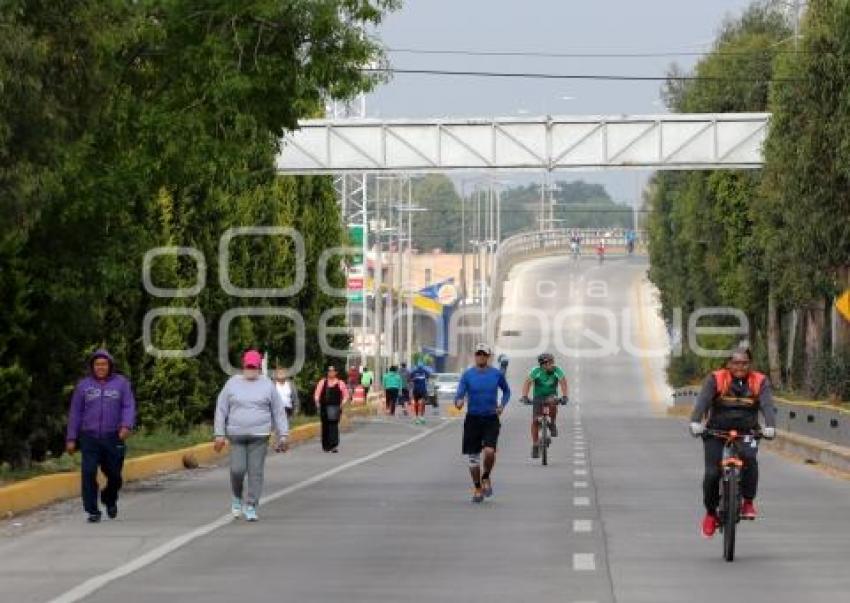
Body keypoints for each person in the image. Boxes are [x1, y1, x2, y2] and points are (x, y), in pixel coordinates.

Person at [689, 348, 777, 538]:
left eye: (744, 363)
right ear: (728, 364)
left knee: (750, 460)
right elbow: (703, 402)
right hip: (716, 431)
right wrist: (695, 421)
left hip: (747, 431)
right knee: (712, 473)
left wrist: (770, 426)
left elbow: (767, 405)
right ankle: (711, 514)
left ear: (750, 364)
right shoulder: (716, 378)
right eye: (736, 363)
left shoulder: (759, 381)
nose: (740, 367)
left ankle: (748, 502)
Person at [214, 350, 289, 522]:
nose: (251, 370)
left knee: (255, 472)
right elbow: (221, 408)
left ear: (259, 367)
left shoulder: (267, 385)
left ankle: (251, 505)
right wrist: (219, 434)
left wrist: (283, 435)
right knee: (237, 469)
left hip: (259, 436)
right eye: (248, 366)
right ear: (243, 365)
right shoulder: (232, 383)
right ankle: (236, 497)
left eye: (254, 367)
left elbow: (278, 411)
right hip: (237, 435)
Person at [66, 349, 136, 523]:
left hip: (114, 437)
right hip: (89, 438)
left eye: (104, 364)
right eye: (97, 364)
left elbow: (128, 406)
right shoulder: (84, 386)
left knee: (115, 475)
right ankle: (92, 510)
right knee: (88, 473)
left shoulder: (121, 384)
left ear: (110, 366)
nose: (100, 367)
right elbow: (75, 412)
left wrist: (126, 425)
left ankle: (109, 498)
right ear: (92, 367)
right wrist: (71, 438)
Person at [454, 343, 511, 503]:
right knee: (473, 458)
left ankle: (486, 476)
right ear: (475, 356)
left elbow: (506, 391)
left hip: (491, 418)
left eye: (484, 354)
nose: (481, 357)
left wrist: (502, 405)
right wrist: (458, 401)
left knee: (490, 451)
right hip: (473, 419)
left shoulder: (496, 374)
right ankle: (477, 487)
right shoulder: (467, 375)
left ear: (488, 357)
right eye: (478, 354)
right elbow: (460, 393)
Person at [520, 352, 569, 459]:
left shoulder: (557, 370)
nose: (552, 365)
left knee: (553, 401)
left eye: (552, 362)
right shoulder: (536, 371)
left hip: (551, 395)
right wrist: (524, 396)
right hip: (538, 397)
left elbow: (563, 382)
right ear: (542, 364)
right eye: (549, 363)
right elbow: (527, 383)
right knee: (535, 421)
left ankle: (552, 423)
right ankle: (535, 445)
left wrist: (565, 396)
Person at [314, 365, 350, 453]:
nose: (331, 372)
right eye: (329, 371)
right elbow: (317, 394)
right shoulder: (322, 382)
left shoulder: (340, 383)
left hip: (335, 407)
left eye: (332, 371)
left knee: (333, 426)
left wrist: (342, 404)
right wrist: (317, 402)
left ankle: (334, 445)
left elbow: (346, 395)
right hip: (324, 407)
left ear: (336, 372)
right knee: (325, 426)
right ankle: (326, 445)